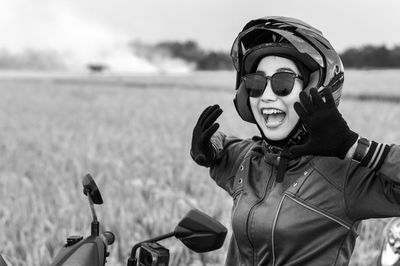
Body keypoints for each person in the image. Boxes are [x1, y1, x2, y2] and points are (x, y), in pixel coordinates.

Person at [190, 16, 400, 266]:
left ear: (314, 90)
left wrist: (353, 145)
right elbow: (224, 148)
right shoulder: (249, 160)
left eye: (283, 83)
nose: (266, 96)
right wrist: (210, 147)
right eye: (256, 83)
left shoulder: (343, 176)